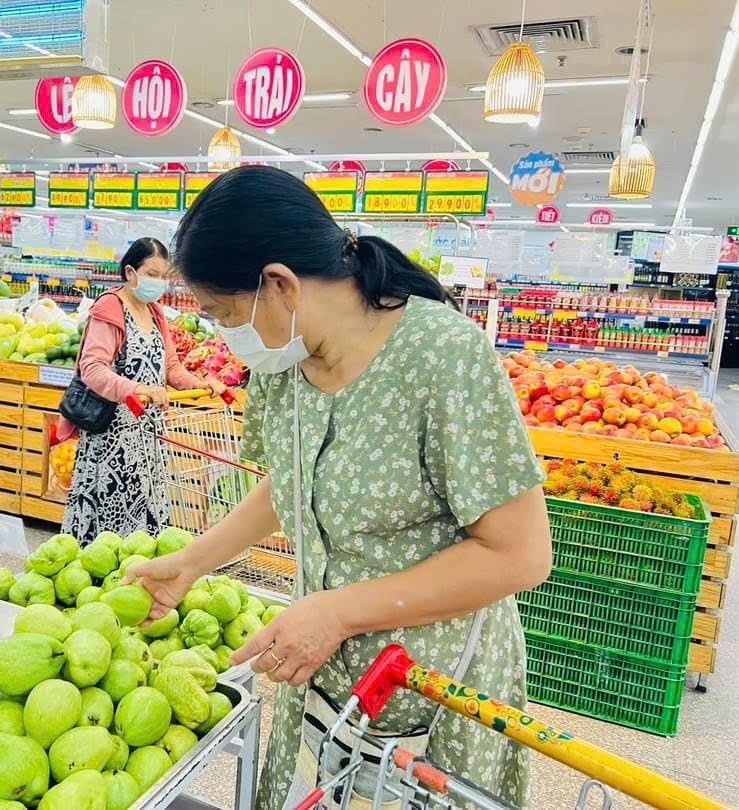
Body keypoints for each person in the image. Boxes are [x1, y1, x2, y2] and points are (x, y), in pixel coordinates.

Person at [126, 167, 552, 810]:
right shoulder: (285, 360)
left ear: (279, 285)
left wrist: (338, 612)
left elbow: (520, 554)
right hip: (323, 677)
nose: (225, 335)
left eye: (224, 314)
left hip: (434, 688)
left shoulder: (443, 357)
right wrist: (190, 562)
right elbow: (291, 484)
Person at [59, 237, 226, 539]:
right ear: (130, 272)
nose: (158, 282)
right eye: (151, 274)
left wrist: (200, 384)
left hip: (147, 437)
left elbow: (170, 366)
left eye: (163, 276)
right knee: (107, 525)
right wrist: (134, 389)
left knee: (143, 525)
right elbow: (92, 367)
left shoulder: (155, 312)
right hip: (111, 437)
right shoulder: (110, 308)